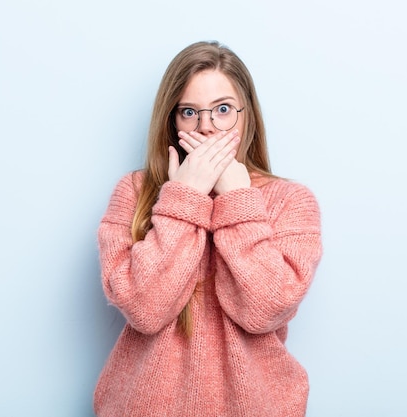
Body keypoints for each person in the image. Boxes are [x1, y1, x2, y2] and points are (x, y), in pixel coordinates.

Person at [93, 41, 322, 417]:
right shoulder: (133, 193)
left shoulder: (290, 201)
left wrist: (236, 198)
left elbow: (264, 310)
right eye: (189, 112)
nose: (207, 126)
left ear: (247, 115)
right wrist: (184, 198)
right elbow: (145, 309)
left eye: (223, 110)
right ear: (171, 120)